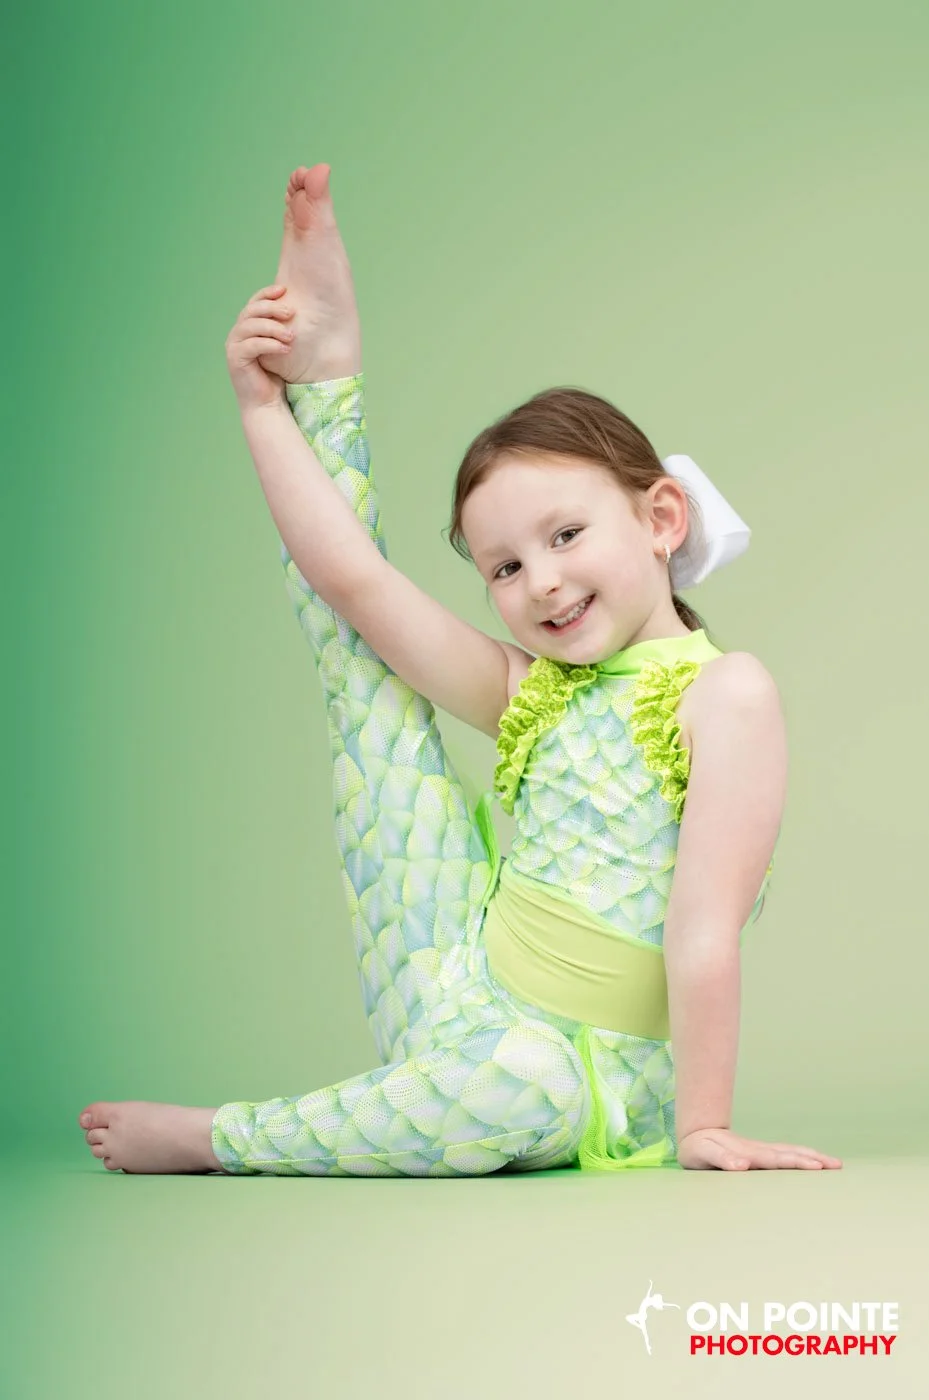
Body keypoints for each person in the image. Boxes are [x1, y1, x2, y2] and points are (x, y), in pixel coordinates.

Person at [77, 164, 842, 1176]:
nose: (542, 581)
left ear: (660, 517)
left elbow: (704, 932)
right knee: (365, 662)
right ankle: (327, 371)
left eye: (565, 535)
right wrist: (264, 409)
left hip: (571, 1076)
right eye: (505, 568)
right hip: (449, 982)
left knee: (512, 1088)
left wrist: (702, 1124)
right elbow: (353, 583)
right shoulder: (534, 694)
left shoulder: (726, 693)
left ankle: (223, 1135)